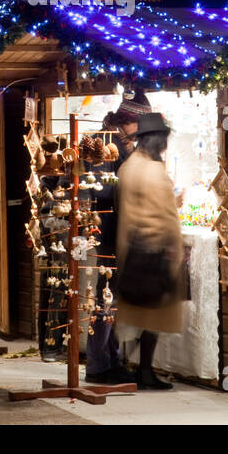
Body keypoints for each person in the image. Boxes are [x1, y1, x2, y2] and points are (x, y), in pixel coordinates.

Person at [115, 111, 185, 390]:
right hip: (155, 252)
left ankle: (127, 367)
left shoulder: (129, 166)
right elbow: (166, 216)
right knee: (154, 314)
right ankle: (144, 371)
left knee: (135, 314)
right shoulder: (155, 171)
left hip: (131, 249)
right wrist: (175, 251)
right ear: (159, 140)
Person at [85, 91, 149, 385]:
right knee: (106, 296)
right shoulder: (106, 143)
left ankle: (109, 360)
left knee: (110, 296)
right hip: (108, 228)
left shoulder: (120, 142)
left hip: (115, 227)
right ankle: (99, 365)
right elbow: (101, 189)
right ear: (129, 121)